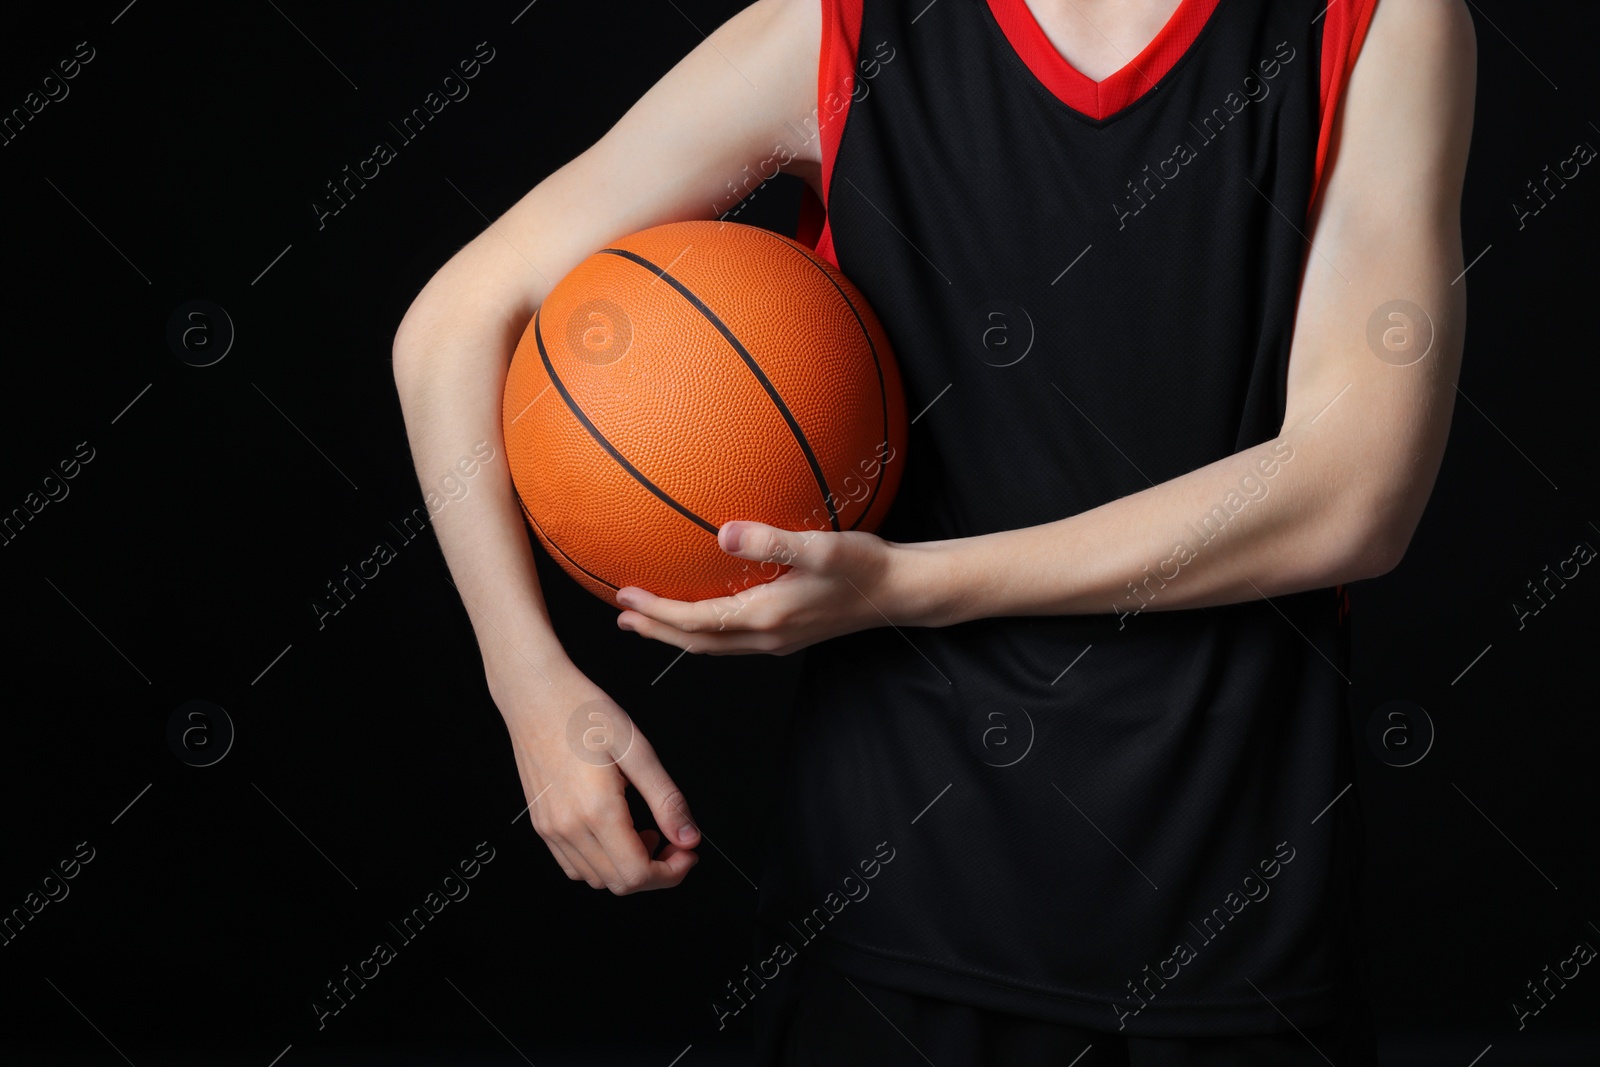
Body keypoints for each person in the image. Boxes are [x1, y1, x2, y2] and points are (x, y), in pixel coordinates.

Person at [392, 0, 1476, 1063]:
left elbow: (1355, 492)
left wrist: (905, 584)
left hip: (1233, 919)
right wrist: (528, 682)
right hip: (888, 911)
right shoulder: (835, 30)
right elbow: (452, 325)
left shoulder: (1378, 22)